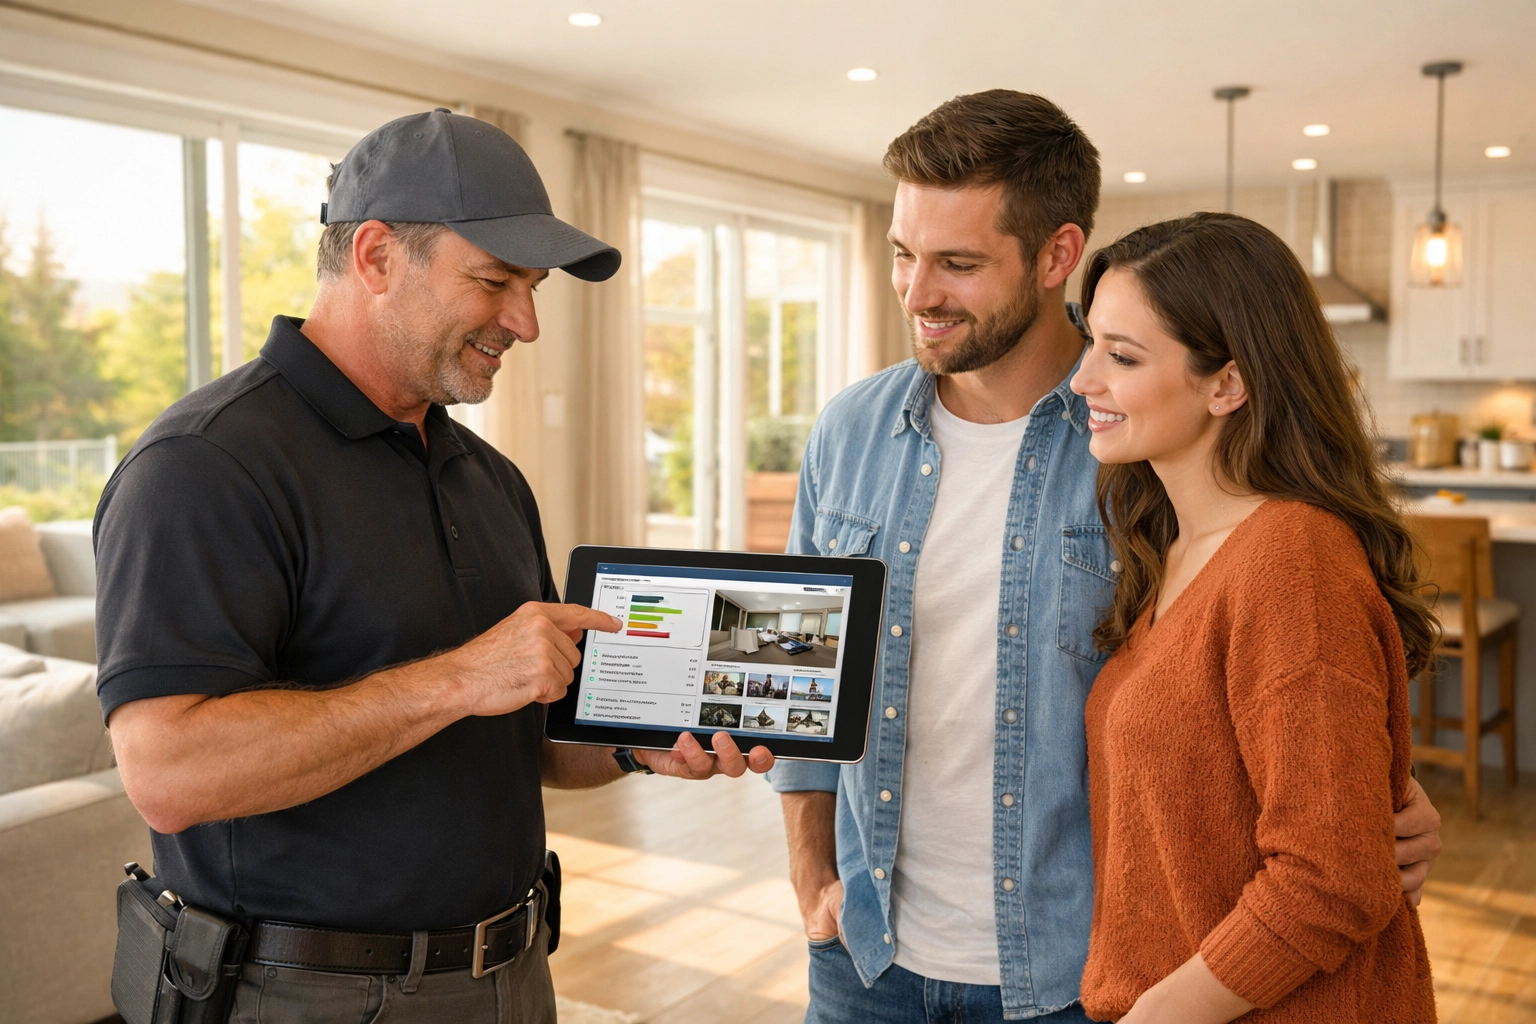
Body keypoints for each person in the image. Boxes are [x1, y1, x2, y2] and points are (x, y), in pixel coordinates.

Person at [767, 90, 1443, 1024]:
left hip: (1081, 971)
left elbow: (1275, 667)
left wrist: (1386, 800)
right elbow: (807, 675)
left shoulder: (1144, 447)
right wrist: (812, 874)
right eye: (902, 254)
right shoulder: (849, 431)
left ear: (1058, 255)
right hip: (866, 955)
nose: (918, 293)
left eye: (958, 263)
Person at [95, 109, 772, 1024]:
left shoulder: (489, 478)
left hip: (513, 974)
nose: (526, 323)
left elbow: (520, 743)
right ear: (375, 257)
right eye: (494, 281)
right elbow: (169, 775)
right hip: (299, 998)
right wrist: (457, 678)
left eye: (532, 287)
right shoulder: (206, 466)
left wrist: (629, 741)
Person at [1070, 213, 1437, 1023]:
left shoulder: (1291, 560)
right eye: (1090, 343)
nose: (1082, 380)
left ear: (1227, 384)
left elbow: (1332, 876)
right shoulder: (1171, 548)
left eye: (1121, 357)